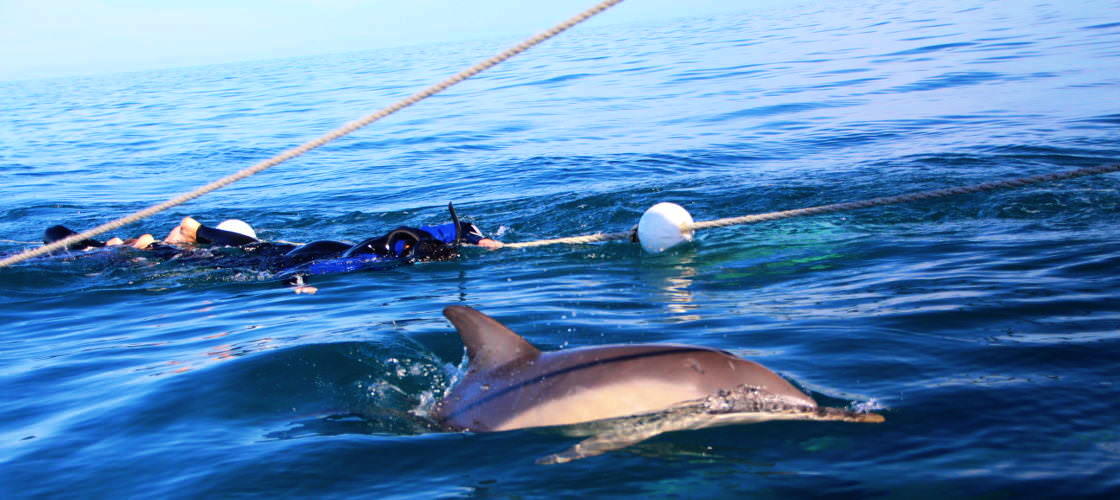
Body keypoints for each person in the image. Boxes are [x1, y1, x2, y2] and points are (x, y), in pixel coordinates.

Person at [45, 203, 502, 291]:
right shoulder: (376, 261)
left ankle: (167, 239)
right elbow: (312, 272)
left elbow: (449, 229)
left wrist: (478, 238)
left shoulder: (384, 248)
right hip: (284, 255)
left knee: (246, 247)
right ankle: (185, 234)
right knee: (234, 254)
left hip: (286, 246)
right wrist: (297, 285)